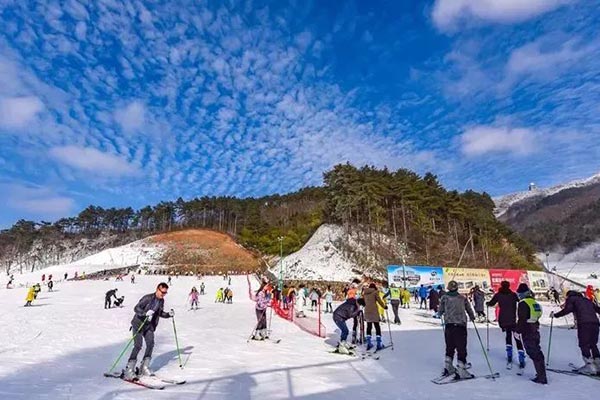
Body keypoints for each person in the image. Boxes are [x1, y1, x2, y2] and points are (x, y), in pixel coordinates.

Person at [124, 282, 174, 380]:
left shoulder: (161, 301)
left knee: (150, 344)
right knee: (138, 346)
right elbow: (136, 308)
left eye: (165, 293)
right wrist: (145, 313)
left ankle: (144, 367)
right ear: (157, 289)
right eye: (162, 292)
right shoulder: (147, 298)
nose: (163, 294)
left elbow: (159, 313)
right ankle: (129, 369)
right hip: (138, 324)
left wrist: (168, 314)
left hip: (149, 326)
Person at [552, 290, 600, 374]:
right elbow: (598, 309)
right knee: (593, 344)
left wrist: (555, 315)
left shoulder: (572, 299)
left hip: (584, 324)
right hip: (595, 323)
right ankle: (598, 364)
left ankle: (590, 366)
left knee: (584, 344)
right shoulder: (587, 300)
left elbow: (567, 310)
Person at [438, 280, 476, 380]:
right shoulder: (462, 298)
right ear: (457, 288)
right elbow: (469, 309)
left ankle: (448, 366)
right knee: (461, 348)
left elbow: (440, 311)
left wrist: (440, 313)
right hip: (460, 325)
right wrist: (472, 317)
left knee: (449, 346)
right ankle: (462, 369)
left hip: (449, 325)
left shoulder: (444, 298)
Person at [487, 280, 525, 368]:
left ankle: (509, 355)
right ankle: (521, 357)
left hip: (503, 319)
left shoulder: (498, 295)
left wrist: (487, 303)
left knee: (508, 336)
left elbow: (491, 303)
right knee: (517, 337)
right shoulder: (513, 294)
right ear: (508, 286)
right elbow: (520, 300)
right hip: (513, 319)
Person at [516, 283, 547, 384]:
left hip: (527, 330)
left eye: (519, 293)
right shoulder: (534, 302)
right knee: (537, 351)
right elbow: (538, 314)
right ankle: (541, 373)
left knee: (533, 352)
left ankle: (541, 377)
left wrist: (518, 331)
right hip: (535, 328)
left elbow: (522, 319)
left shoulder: (523, 303)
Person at [362, 283, 387, 351]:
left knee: (369, 327)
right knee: (377, 326)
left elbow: (364, 302)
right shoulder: (375, 292)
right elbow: (379, 301)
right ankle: (379, 343)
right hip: (374, 311)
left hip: (367, 311)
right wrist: (384, 306)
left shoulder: (365, 293)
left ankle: (369, 343)